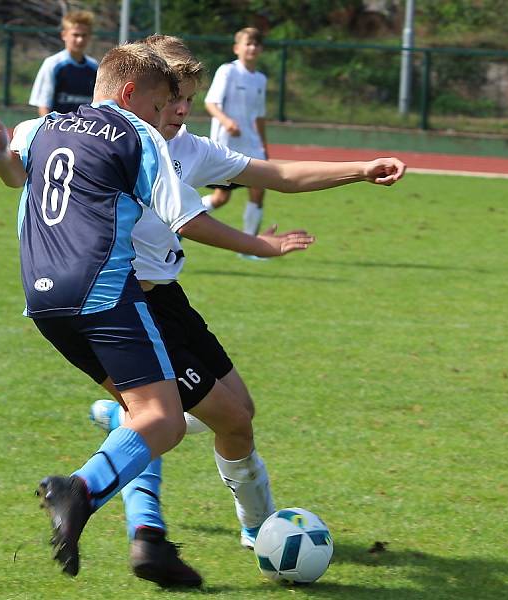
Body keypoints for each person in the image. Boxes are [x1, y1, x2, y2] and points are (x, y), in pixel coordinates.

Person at [0, 42, 314, 580]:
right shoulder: (140, 137)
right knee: (161, 419)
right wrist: (260, 246)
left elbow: (16, 173)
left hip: (43, 303)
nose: (165, 117)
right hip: (106, 291)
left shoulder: (45, 127)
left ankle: (148, 539)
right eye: (161, 106)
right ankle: (79, 488)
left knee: (152, 416)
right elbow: (184, 217)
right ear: (132, 94)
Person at [86, 35, 406, 588]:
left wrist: (360, 168)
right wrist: (261, 246)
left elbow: (278, 174)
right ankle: (258, 531)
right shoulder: (119, 145)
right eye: (173, 99)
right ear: (148, 97)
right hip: (130, 304)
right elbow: (186, 222)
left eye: (188, 99)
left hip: (170, 297)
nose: (180, 111)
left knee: (242, 415)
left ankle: (255, 526)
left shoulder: (193, 149)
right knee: (220, 418)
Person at [203, 27, 269, 253]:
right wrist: (227, 121)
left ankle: (249, 246)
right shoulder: (227, 71)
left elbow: (259, 116)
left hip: (251, 145)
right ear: (237, 48)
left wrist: (264, 145)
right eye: (248, 43)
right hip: (226, 145)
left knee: (259, 188)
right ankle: (177, 220)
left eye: (256, 43)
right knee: (221, 198)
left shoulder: (260, 79)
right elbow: (211, 103)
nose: (252, 47)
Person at [29, 10, 98, 116]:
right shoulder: (52, 64)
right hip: (58, 129)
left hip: (85, 130)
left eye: (84, 35)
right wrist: (51, 131)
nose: (80, 40)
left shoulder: (94, 67)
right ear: (64, 35)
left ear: (89, 37)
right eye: (75, 35)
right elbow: (44, 106)